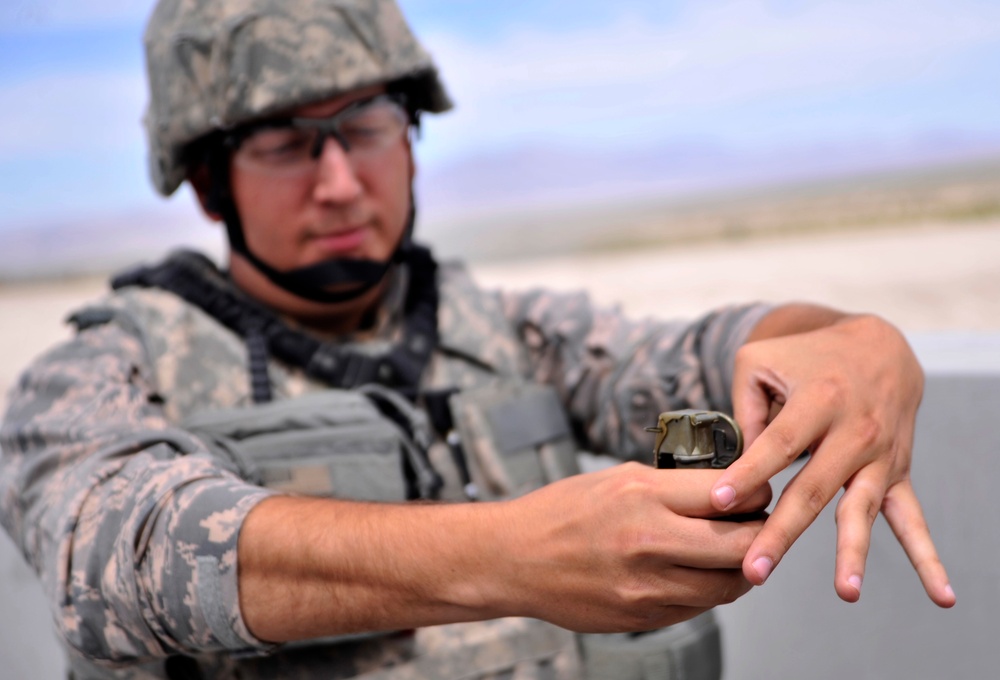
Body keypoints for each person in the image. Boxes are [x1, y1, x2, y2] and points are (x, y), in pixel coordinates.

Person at [0, 0, 955, 678]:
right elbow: (112, 552)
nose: (338, 182)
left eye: (366, 125)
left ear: (410, 139)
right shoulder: (105, 366)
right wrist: (508, 554)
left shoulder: (501, 327)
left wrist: (853, 344)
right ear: (210, 185)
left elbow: (704, 353)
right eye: (287, 143)